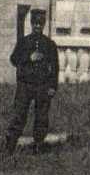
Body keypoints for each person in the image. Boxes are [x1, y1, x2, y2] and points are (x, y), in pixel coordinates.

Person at [5, 9, 59, 154]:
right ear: (31, 24)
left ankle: (38, 146)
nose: (37, 27)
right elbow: (14, 59)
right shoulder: (24, 42)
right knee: (19, 115)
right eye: (35, 24)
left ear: (44, 25)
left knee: (41, 117)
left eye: (40, 25)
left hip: (43, 86)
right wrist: (29, 58)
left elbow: (55, 68)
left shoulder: (49, 45)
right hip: (25, 85)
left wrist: (53, 87)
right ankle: (10, 146)